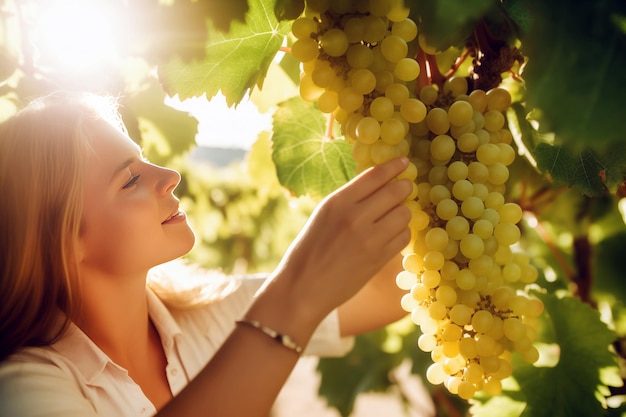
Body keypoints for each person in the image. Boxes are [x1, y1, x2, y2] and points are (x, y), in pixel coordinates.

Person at [0, 92, 413, 417]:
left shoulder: (209, 311)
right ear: (64, 238)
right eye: (129, 180)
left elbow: (387, 292)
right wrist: (296, 292)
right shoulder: (22, 390)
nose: (169, 176)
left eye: (146, 161)